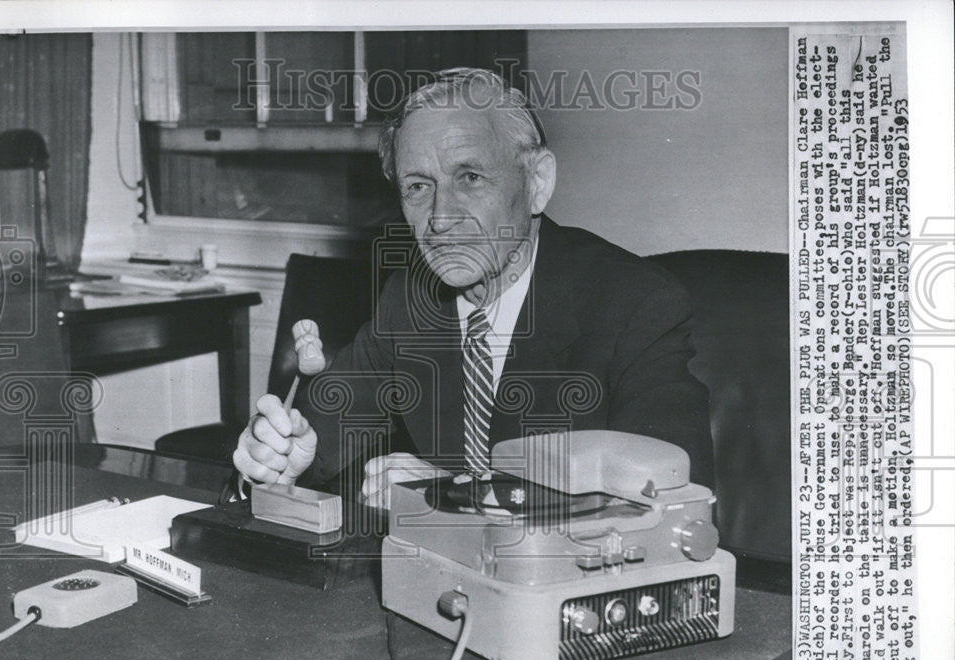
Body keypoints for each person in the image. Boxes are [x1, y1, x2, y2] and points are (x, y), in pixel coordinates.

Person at [233, 67, 714, 508]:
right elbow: (313, 440)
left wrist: (458, 494)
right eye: (418, 187)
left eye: (471, 177)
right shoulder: (409, 300)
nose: (441, 219)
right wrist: (272, 462)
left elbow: (672, 501)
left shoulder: (635, 304)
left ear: (537, 182)